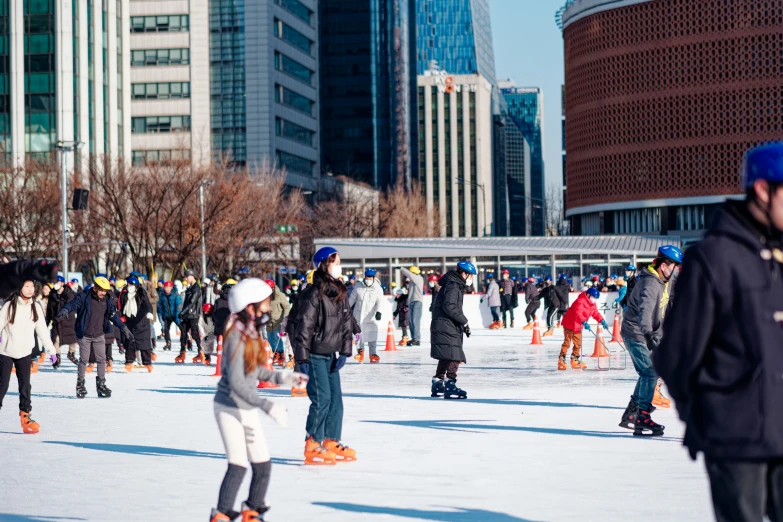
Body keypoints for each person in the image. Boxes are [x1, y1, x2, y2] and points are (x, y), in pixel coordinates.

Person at [653, 142, 783, 522]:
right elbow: (676, 356)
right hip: (736, 438)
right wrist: (710, 419)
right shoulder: (714, 259)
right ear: (763, 189)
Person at [209, 278, 308, 522]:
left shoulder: (251, 333)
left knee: (262, 465)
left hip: (247, 404)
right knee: (238, 464)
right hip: (229, 407)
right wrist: (268, 405)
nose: (267, 310)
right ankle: (221, 514)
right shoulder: (234, 338)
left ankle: (252, 511)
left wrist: (284, 377)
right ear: (249, 306)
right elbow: (236, 383)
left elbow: (256, 372)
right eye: (264, 304)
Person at [293, 246, 355, 465]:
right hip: (314, 355)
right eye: (334, 262)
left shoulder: (340, 291)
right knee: (322, 399)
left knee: (336, 401)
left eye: (339, 262)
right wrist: (301, 359)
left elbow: (347, 323)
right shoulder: (314, 293)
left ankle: (330, 440)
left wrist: (345, 351)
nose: (339, 266)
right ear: (323, 265)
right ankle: (312, 442)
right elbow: (303, 328)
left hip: (330, 355)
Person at [618, 245, 683, 437]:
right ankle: (641, 417)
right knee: (649, 372)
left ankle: (632, 413)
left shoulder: (666, 280)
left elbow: (670, 301)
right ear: (664, 266)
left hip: (648, 333)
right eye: (675, 266)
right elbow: (644, 312)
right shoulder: (650, 284)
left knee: (648, 372)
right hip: (636, 333)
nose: (676, 270)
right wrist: (648, 335)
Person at [56, 276, 133, 399]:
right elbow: (73, 304)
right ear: (95, 287)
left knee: (102, 359)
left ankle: (101, 385)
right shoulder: (85, 296)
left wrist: (123, 328)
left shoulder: (107, 299)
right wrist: (65, 309)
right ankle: (80, 385)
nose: (103, 293)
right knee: (84, 360)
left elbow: (113, 315)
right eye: (101, 290)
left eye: (105, 290)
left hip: (99, 334)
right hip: (85, 335)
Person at [0, 280, 57, 434]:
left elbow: (43, 331)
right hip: (6, 351)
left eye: (32, 286)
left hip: (25, 352)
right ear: (19, 288)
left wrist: (52, 350)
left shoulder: (35, 307)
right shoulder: (9, 306)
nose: (31, 289)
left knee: (25, 386)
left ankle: (26, 417)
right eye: (27, 286)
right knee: (2, 386)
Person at [430, 260, 475, 400]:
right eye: (471, 275)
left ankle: (438, 383)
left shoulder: (451, 283)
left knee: (446, 354)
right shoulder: (454, 285)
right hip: (446, 325)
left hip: (444, 324)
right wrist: (465, 321)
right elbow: (450, 306)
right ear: (464, 273)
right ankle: (450, 384)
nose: (472, 278)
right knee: (455, 354)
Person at [558, 287, 608, 371]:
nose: (594, 300)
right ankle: (561, 359)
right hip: (569, 323)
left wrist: (601, 320)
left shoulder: (592, 304)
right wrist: (584, 322)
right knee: (567, 343)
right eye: (594, 297)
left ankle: (575, 359)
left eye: (596, 298)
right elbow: (578, 313)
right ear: (588, 295)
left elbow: (595, 313)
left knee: (578, 343)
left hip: (578, 325)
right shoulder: (580, 301)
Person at [119, 277, 154, 373]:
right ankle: (129, 362)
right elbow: (122, 307)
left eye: (132, 285)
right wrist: (121, 316)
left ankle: (147, 363)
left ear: (136, 286)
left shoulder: (141, 294)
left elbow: (148, 304)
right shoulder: (125, 295)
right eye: (129, 284)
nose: (130, 286)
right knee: (129, 343)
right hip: (130, 323)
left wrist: (149, 312)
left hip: (142, 323)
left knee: (144, 344)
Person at [349, 268, 384, 363]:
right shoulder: (358, 286)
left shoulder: (378, 289)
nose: (368, 279)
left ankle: (373, 353)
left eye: (370, 278)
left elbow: (380, 301)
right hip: (358, 316)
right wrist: (346, 308)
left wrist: (379, 312)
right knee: (358, 335)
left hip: (370, 317)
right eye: (367, 277)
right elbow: (352, 298)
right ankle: (360, 352)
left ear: (373, 278)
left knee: (372, 334)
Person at [176, 270, 203, 363]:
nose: (185, 279)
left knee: (194, 334)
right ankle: (182, 352)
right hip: (186, 314)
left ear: (192, 276)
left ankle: (201, 351)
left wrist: (182, 312)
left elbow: (192, 302)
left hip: (193, 314)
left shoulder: (197, 289)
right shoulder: (189, 288)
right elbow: (186, 302)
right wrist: (183, 313)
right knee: (183, 334)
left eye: (187, 277)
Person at [265, 279, 291, 365]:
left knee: (277, 339)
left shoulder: (280, 296)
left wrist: (285, 317)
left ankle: (281, 355)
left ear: (273, 288)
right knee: (270, 339)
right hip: (269, 322)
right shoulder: (264, 296)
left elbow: (287, 306)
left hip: (278, 321)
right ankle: (275, 354)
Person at [400, 265, 424, 346]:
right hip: (411, 302)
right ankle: (414, 338)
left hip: (417, 302)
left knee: (415, 320)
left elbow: (410, 275)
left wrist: (402, 269)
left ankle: (417, 339)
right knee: (410, 321)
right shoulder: (412, 282)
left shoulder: (418, 278)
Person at [157, 281, 182, 351]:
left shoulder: (175, 294)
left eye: (168, 287)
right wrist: (162, 314)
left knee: (182, 328)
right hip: (167, 315)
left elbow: (179, 306)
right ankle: (168, 343)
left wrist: (178, 316)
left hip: (175, 315)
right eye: (165, 287)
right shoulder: (162, 295)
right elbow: (160, 306)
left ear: (171, 287)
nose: (167, 289)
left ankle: (187, 341)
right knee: (166, 329)